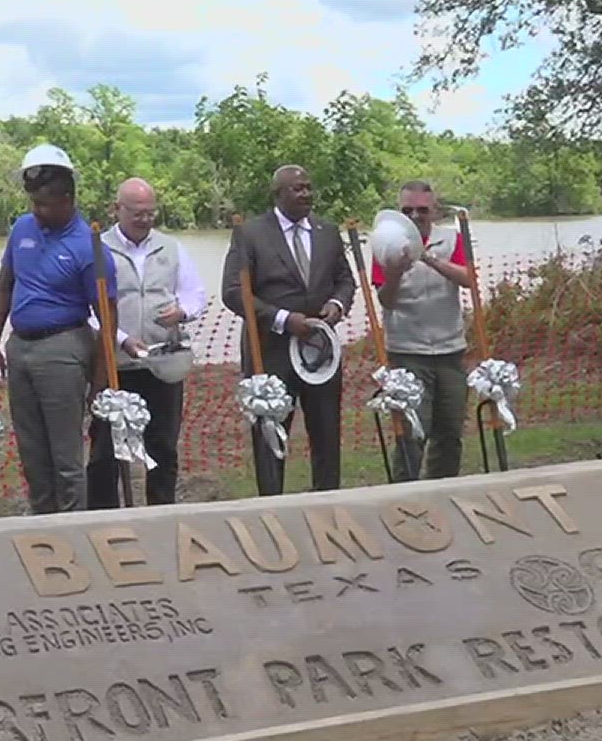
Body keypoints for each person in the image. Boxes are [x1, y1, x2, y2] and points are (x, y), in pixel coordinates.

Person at [0, 144, 132, 514]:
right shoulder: (22, 229)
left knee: (65, 455)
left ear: (67, 200)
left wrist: (100, 377)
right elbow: (3, 287)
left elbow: (107, 317)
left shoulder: (89, 247)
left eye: (45, 203)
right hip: (21, 347)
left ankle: (71, 527)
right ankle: (41, 523)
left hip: (63, 348)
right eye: (33, 202)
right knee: (32, 451)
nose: (37, 210)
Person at [220, 164, 356, 494]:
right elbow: (233, 292)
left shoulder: (327, 231)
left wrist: (337, 305)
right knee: (270, 435)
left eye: (308, 187)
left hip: (321, 352)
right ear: (278, 194)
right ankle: (271, 505)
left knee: (326, 431)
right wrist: (283, 318)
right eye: (297, 189)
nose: (306, 194)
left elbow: (345, 280)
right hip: (270, 351)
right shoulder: (250, 234)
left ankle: (328, 502)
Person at [85, 178, 208, 508]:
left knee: (163, 448)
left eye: (150, 213)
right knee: (105, 452)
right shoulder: (96, 248)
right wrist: (121, 339)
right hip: (115, 366)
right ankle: (103, 516)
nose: (145, 219)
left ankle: (162, 512)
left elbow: (195, 293)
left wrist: (182, 311)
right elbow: (86, 309)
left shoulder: (171, 247)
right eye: (137, 213)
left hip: (161, 364)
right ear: (117, 210)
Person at [371, 180, 475, 479]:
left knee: (450, 432)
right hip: (407, 352)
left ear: (435, 211)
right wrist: (394, 274)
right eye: (407, 210)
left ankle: (443, 489)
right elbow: (386, 301)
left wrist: (427, 257)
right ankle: (405, 493)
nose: (415, 216)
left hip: (451, 350)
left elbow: (469, 279)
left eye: (422, 210)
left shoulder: (452, 240)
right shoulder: (384, 245)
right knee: (412, 433)